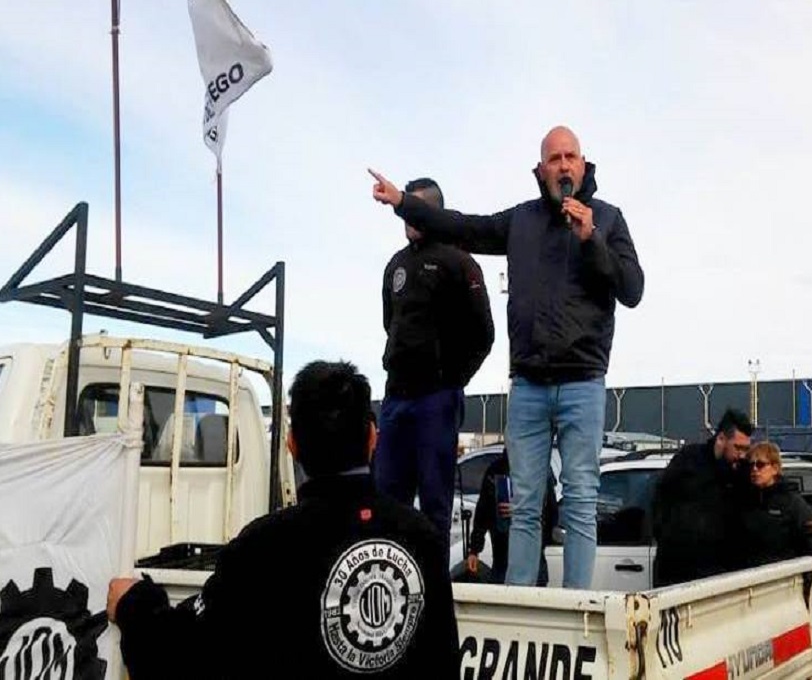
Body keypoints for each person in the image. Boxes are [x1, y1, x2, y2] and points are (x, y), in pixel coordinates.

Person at [369, 125, 644, 589]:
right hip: (529, 386)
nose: (562, 165)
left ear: (582, 164)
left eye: (569, 157)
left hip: (583, 382)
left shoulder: (608, 219)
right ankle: (521, 605)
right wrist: (403, 202)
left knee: (579, 499)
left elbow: (632, 289)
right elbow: (463, 226)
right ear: (541, 170)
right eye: (553, 159)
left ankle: (577, 605)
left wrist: (591, 238)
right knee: (525, 503)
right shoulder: (522, 221)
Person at [107, 361, 459, 679]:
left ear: (291, 444)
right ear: (372, 438)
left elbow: (183, 658)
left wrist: (135, 606)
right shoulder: (422, 539)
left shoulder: (264, 548)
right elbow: (443, 663)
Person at [375, 177, 494, 566]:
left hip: (436, 400)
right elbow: (389, 324)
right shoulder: (396, 265)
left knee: (434, 505)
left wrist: (452, 379)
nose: (407, 215)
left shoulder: (460, 262)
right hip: (395, 399)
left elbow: (483, 334)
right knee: (388, 502)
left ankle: (432, 590)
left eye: (415, 206)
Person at [652, 408, 755, 587]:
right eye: (738, 448)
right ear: (721, 439)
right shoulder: (688, 460)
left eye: (746, 449)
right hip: (676, 574)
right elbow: (660, 500)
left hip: (721, 577)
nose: (742, 455)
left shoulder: (743, 473)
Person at [739, 441, 812, 606]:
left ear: (775, 468)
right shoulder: (745, 502)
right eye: (751, 465)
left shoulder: (793, 504)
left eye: (760, 464)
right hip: (750, 592)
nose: (754, 469)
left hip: (783, 591)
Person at [466, 447, 558, 585]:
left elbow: (552, 515)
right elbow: (482, 512)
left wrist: (523, 511)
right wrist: (474, 550)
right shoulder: (496, 470)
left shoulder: (540, 471)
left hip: (534, 562)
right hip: (502, 561)